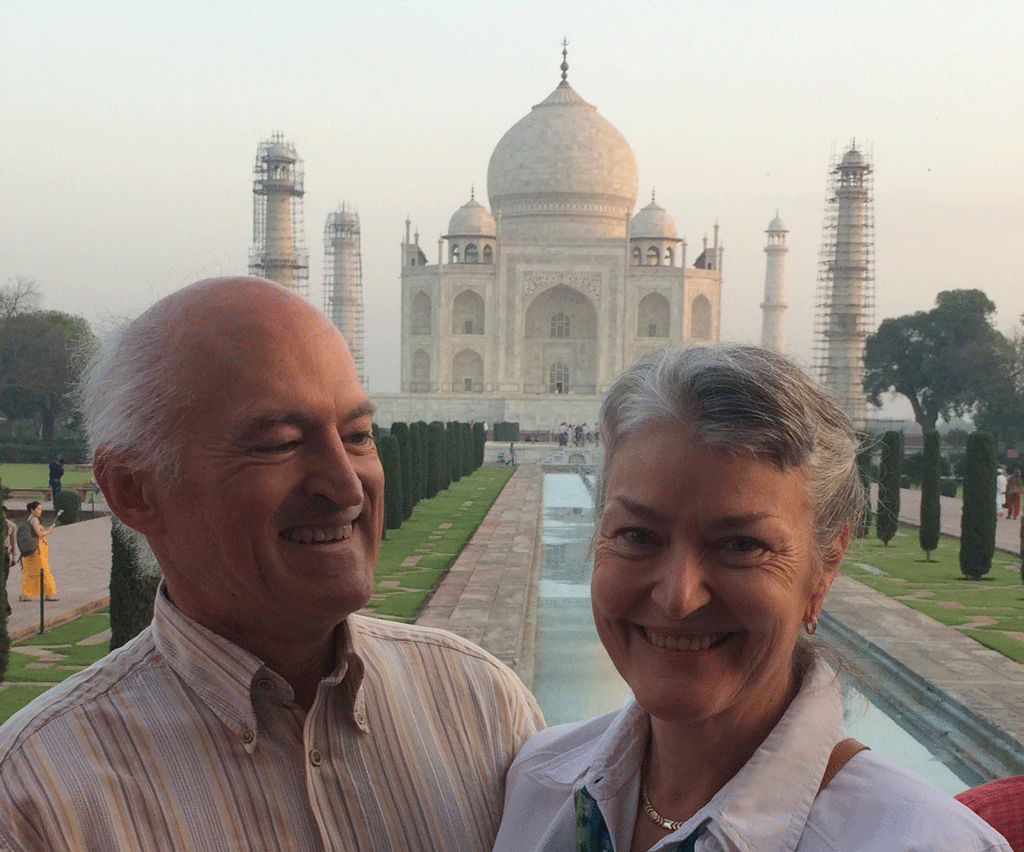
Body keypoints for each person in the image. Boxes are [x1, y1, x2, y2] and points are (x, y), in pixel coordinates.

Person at [0, 277, 543, 852]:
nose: (344, 486)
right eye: (280, 443)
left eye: (358, 435)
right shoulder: (39, 800)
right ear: (134, 490)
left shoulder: (481, 710)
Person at [494, 344, 1009, 852]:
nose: (678, 596)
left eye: (742, 545)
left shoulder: (924, 842)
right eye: (637, 535)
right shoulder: (541, 783)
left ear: (824, 567)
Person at [17, 500, 57, 602]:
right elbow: (39, 533)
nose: (40, 511)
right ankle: (49, 594)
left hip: (32, 551)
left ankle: (25, 594)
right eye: (38, 509)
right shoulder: (34, 520)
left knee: (29, 572)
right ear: (32, 510)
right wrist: (48, 531)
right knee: (44, 571)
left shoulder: (29, 520)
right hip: (37, 551)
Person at [1, 505, 17, 615]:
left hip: (5, 555)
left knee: (2, 583)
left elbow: (13, 542)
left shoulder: (10, 525)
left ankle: (6, 608)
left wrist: (14, 557)